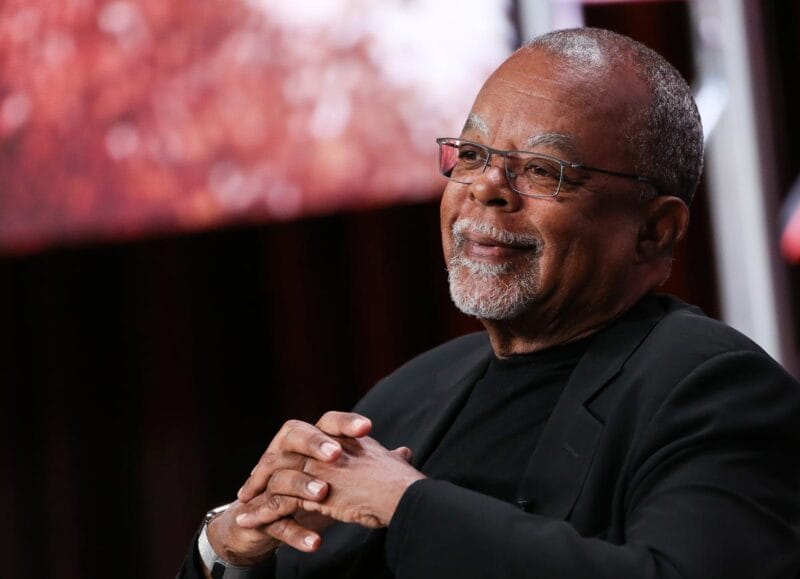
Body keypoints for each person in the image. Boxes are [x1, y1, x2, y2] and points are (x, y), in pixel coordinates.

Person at [178, 27, 800, 579]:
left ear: (655, 230)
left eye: (542, 170)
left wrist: (407, 503)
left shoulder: (712, 389)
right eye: (472, 156)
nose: (486, 189)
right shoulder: (407, 395)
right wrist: (234, 548)